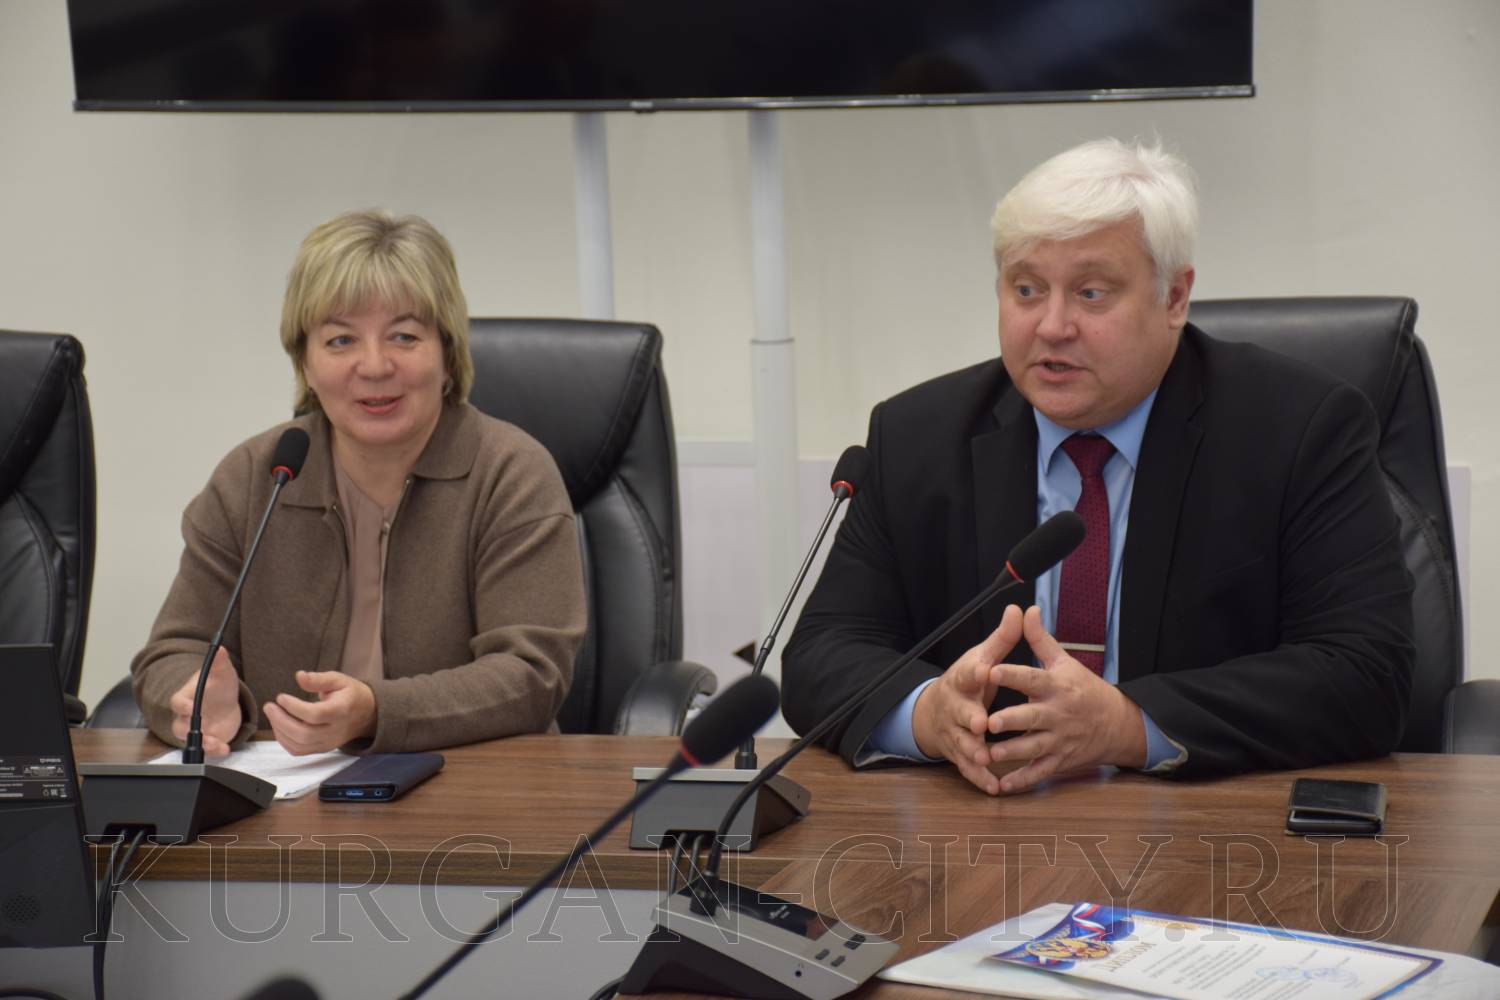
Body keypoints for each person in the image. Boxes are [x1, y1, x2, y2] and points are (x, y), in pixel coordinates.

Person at [781, 139, 1414, 794]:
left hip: (1202, 825)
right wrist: (927, 714)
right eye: (1026, 290)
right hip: (984, 820)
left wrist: (1128, 724)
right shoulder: (918, 436)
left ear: (1174, 297)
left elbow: (1368, 674)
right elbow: (821, 654)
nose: (1053, 326)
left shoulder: (1301, 429)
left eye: (1090, 293)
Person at [132, 209, 586, 755]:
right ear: (305, 363)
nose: (374, 366)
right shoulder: (258, 476)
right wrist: (196, 701)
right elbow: (174, 650)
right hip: (283, 790)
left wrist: (376, 711)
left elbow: (531, 674)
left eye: (404, 336)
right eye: (341, 340)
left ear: (447, 355)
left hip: (472, 783)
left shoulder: (510, 473)